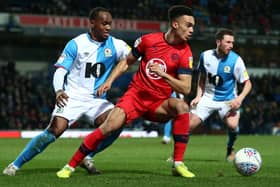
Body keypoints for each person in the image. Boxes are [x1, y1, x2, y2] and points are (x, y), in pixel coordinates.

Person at [56, 5, 196, 179]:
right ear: (175, 24)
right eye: (188, 25)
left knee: (182, 106)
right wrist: (109, 81)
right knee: (109, 127)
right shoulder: (148, 40)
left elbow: (185, 88)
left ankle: (178, 163)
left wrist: (163, 74)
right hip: (135, 97)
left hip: (158, 103)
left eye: (193, 26)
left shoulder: (185, 52)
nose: (192, 30)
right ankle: (70, 166)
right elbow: (126, 62)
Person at [3, 7, 130, 176]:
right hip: (73, 97)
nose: (108, 27)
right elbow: (61, 70)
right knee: (55, 129)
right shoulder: (76, 43)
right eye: (104, 23)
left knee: (118, 122)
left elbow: (135, 55)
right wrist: (59, 90)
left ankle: (87, 156)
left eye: (110, 24)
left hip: (97, 100)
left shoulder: (116, 44)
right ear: (92, 23)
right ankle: (15, 165)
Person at [190, 28, 252, 161]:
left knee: (232, 125)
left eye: (232, 43)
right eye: (228, 42)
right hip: (208, 97)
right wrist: (198, 96)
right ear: (218, 42)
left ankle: (230, 149)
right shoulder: (205, 56)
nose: (231, 45)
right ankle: (176, 156)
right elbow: (201, 77)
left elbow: (248, 84)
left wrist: (239, 99)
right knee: (189, 125)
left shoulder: (236, 60)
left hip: (228, 100)